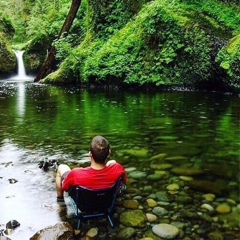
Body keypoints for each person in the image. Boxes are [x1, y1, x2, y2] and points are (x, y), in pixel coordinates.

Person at [55, 135, 127, 202]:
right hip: (106, 203)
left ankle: (60, 200)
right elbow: (124, 182)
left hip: (84, 206)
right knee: (112, 162)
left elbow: (65, 187)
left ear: (90, 154)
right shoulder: (118, 168)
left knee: (62, 167)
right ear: (109, 153)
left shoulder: (75, 174)